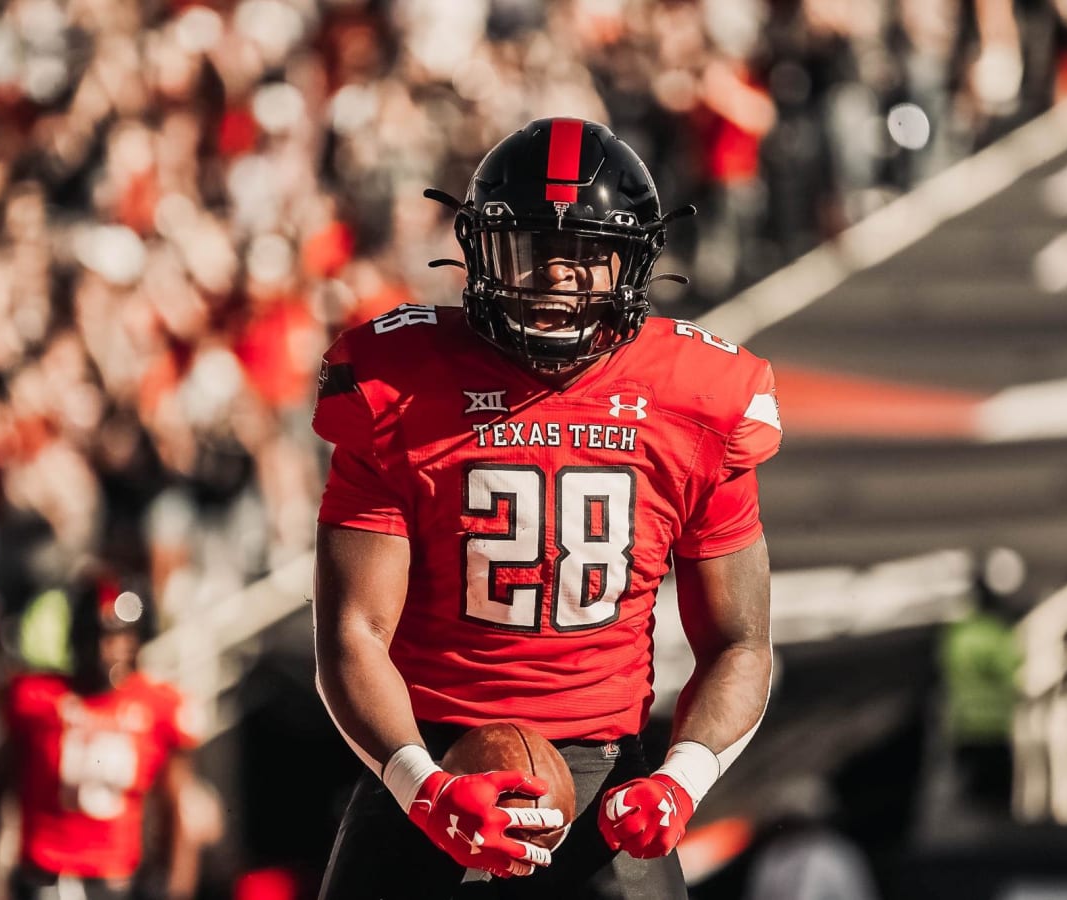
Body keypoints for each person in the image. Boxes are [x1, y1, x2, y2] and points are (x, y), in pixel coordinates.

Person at [311, 117, 783, 899]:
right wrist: (423, 788)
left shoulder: (699, 398)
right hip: (428, 763)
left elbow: (741, 642)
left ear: (633, 260)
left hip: (606, 782)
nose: (558, 276)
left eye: (587, 253)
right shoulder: (396, 384)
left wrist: (681, 781)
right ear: (481, 251)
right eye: (533, 249)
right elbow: (351, 634)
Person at [0, 571, 209, 900]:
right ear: (74, 637)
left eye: (117, 636)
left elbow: (175, 806)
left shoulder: (158, 705)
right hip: (44, 879)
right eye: (94, 635)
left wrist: (175, 887)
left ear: (136, 639)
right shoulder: (35, 698)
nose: (104, 649)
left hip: (113, 882)